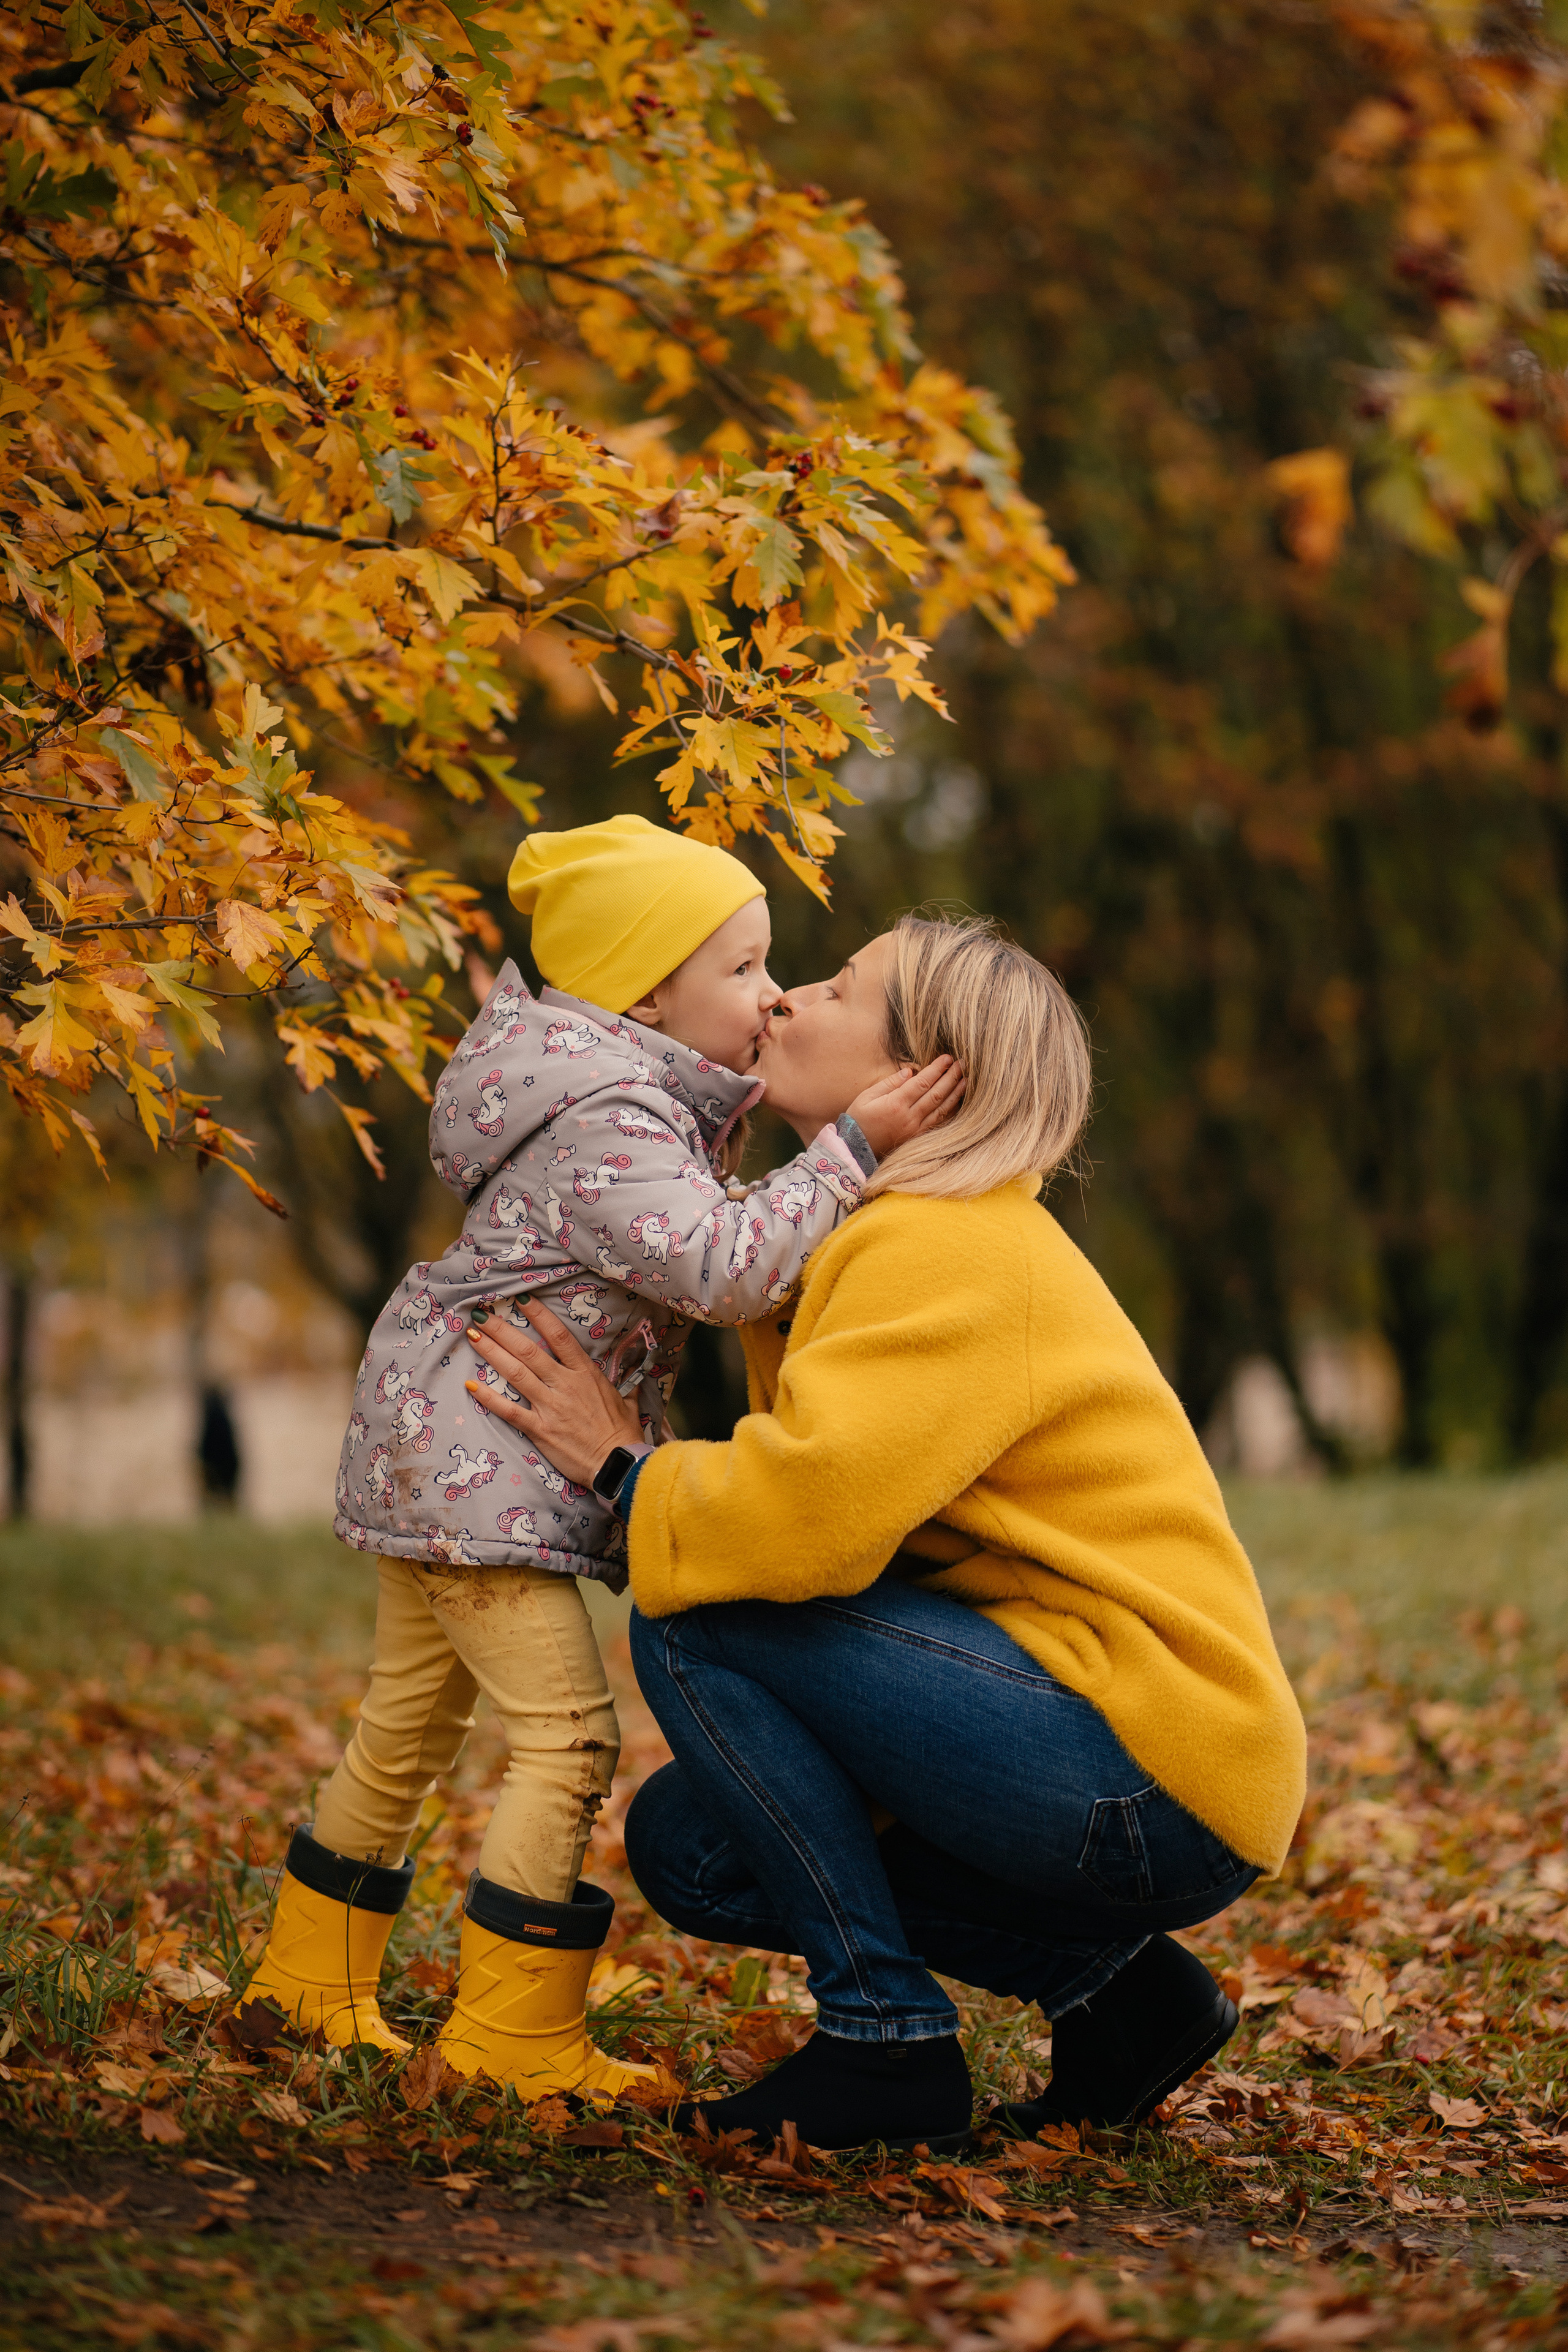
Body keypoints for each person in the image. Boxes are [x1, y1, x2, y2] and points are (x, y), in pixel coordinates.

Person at [462, 912, 1309, 2153]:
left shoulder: (945, 1246)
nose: (787, 1000)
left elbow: (800, 1526)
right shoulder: (891, 1236)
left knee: (699, 1618)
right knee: (694, 1848)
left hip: (1144, 1762)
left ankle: (883, 2048)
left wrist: (621, 1468)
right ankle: (1121, 1995)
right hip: (1085, 1736)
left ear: (930, 1075)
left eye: (836, 989)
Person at [246, 818, 961, 2101]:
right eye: (742, 970)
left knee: (407, 1724)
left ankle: (308, 1982)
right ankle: (511, 2033)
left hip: (444, 1447)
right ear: (645, 993)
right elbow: (721, 1263)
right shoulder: (611, 1114)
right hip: (477, 1453)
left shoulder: (613, 1090)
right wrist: (849, 1152)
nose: (773, 992)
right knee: (566, 1737)